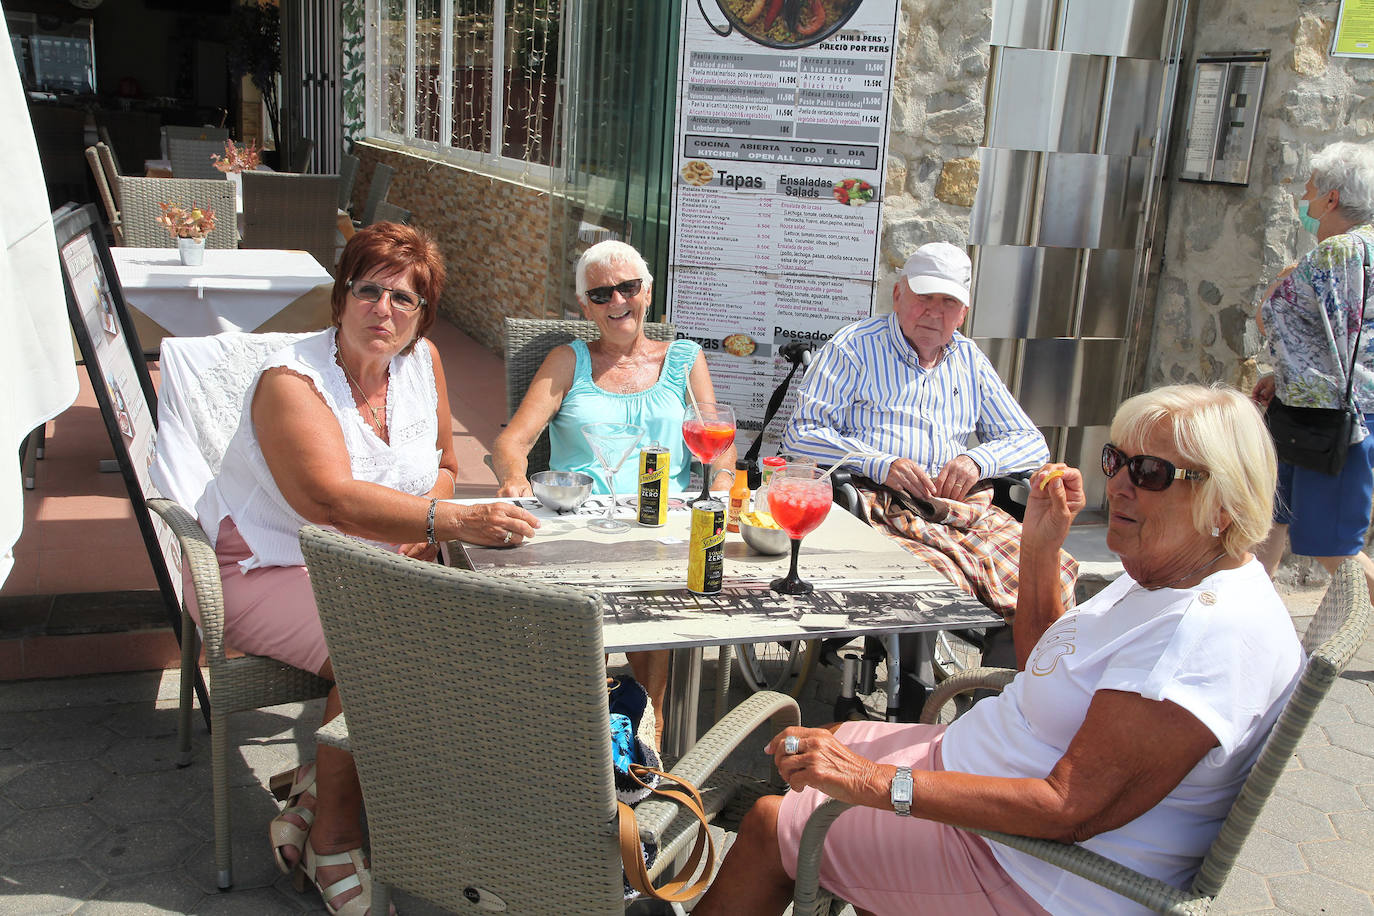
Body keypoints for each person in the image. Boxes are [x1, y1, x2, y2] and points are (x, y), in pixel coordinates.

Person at [695, 384, 1303, 916]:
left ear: (1223, 503)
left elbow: (1069, 808)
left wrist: (879, 784)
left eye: (1149, 474)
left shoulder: (1200, 633)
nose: (1117, 486)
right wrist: (1040, 548)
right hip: (983, 789)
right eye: (1116, 460)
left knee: (772, 823)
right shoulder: (1176, 571)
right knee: (814, 756)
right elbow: (1050, 667)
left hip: (1030, 872)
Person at [192, 223, 540, 915]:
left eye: (405, 298)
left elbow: (445, 464)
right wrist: (446, 523)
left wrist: (423, 524)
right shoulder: (291, 382)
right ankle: (333, 835)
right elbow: (328, 500)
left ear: (423, 315)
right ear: (340, 297)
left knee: (481, 638)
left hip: (377, 561)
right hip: (271, 563)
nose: (384, 309)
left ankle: (314, 787)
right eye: (369, 290)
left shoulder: (423, 362)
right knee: (388, 649)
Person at [490, 239, 736, 735]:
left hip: (663, 522)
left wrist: (724, 488)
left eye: (628, 288)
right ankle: (589, 736)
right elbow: (512, 442)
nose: (617, 302)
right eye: (601, 294)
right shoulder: (568, 360)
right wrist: (514, 479)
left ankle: (650, 733)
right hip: (579, 522)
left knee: (659, 585)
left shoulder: (685, 359)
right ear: (585, 305)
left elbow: (717, 446)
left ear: (647, 292)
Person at [780, 240, 1073, 617]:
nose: (934, 312)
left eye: (948, 302)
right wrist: (879, 463)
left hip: (959, 509)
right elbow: (800, 433)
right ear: (899, 294)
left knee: (1051, 570)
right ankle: (919, 675)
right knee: (939, 582)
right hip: (879, 504)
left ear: (963, 313)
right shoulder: (853, 347)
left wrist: (977, 461)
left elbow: (1031, 442)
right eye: (924, 296)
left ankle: (1020, 670)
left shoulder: (969, 360)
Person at [1252, 140, 1374, 600]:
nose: (1304, 201)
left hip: (1331, 420)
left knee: (1334, 548)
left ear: (1332, 198)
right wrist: (1284, 377)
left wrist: (1283, 280)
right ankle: (1248, 621)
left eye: (1309, 191)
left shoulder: (1333, 254)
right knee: (1267, 519)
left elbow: (1272, 317)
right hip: (1328, 410)